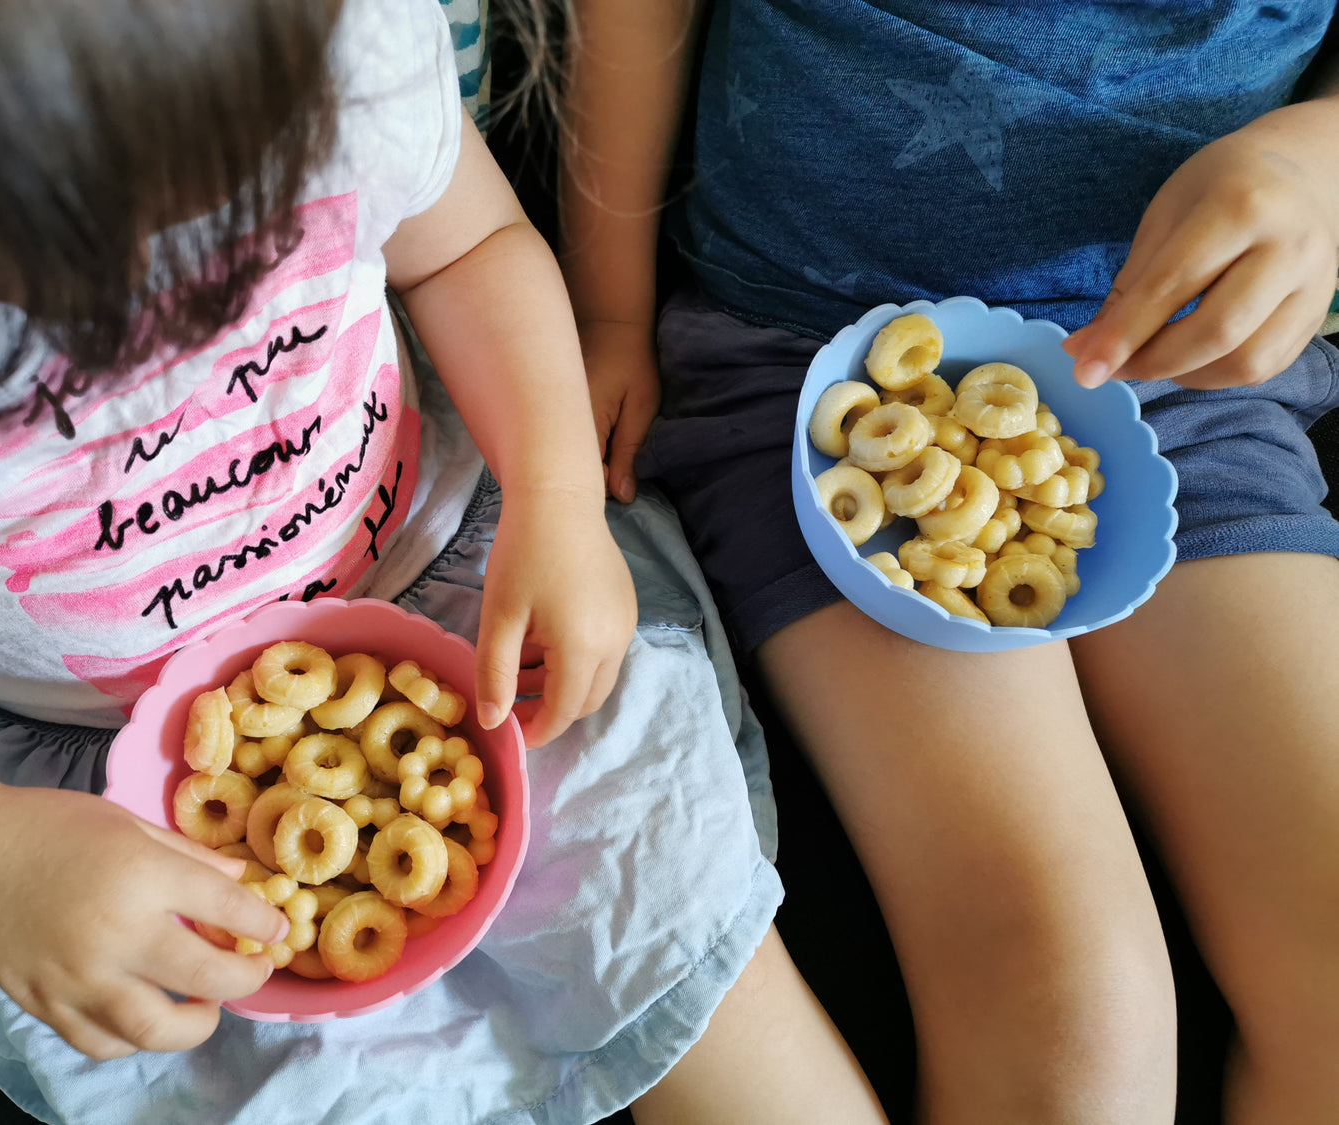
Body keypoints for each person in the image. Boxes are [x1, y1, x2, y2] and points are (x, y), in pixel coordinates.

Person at [0, 1, 888, 1121]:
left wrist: (555, 492)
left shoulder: (334, 36)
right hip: (73, 799)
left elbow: (471, 246)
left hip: (469, 592)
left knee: (682, 947)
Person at [560, 2, 1339, 1121]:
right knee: (1081, 1035)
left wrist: (1318, 162)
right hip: (815, 375)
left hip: (1188, 381)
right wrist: (609, 313)